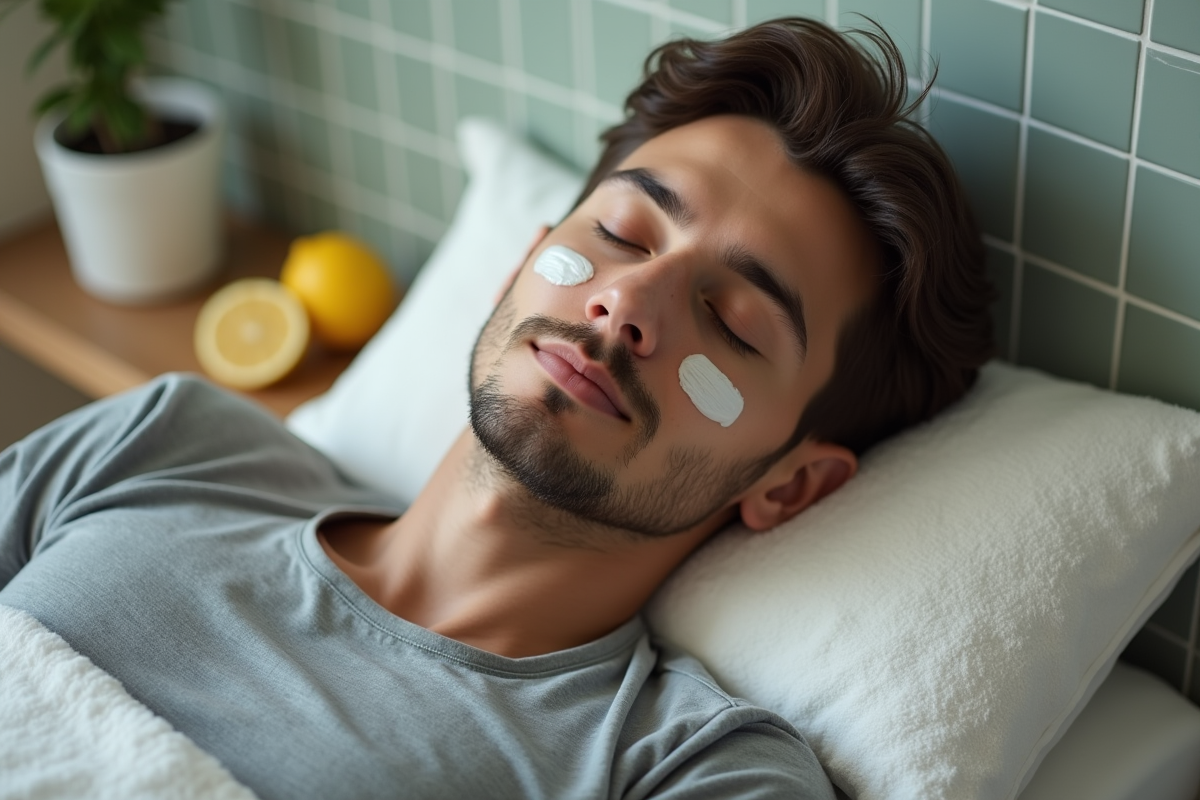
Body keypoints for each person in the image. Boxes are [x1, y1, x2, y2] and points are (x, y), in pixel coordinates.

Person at [0, 17, 993, 800]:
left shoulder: (683, 769)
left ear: (792, 481)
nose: (627, 302)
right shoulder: (167, 440)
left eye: (733, 322)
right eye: (620, 230)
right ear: (522, 264)